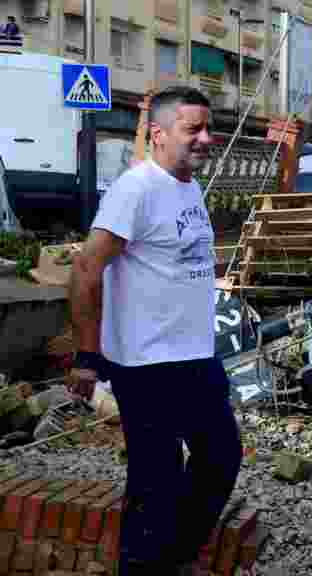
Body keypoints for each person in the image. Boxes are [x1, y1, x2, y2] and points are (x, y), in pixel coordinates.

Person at [67, 86, 242, 575]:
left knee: (220, 458)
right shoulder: (136, 189)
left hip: (192, 357)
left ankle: (172, 558)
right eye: (194, 129)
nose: (206, 138)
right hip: (146, 363)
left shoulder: (186, 185)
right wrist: (87, 356)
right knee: (155, 482)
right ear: (159, 134)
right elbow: (85, 268)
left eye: (209, 127)